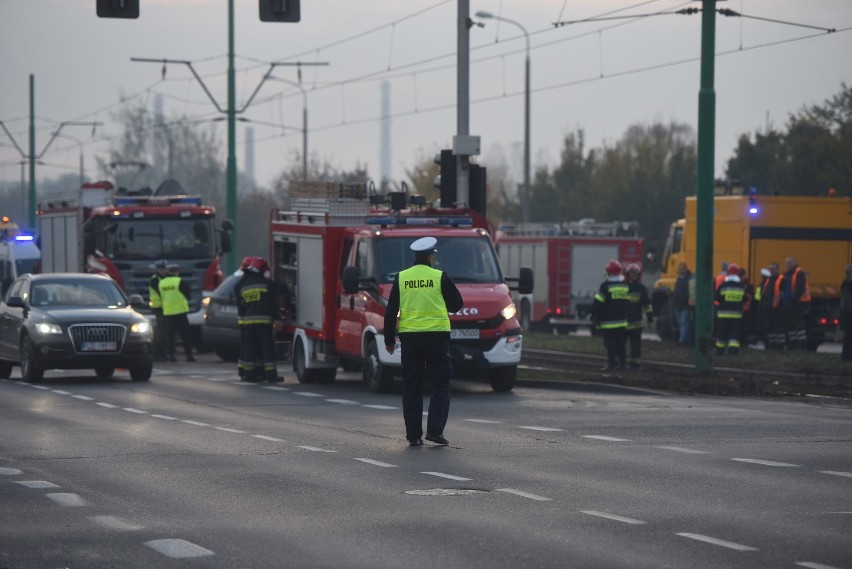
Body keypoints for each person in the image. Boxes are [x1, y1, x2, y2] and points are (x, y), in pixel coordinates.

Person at [384, 236, 463, 447]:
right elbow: (457, 304)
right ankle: (435, 431)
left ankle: (413, 436)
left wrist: (389, 340)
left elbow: (391, 310)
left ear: (414, 257)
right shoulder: (439, 277)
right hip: (437, 337)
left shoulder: (401, 278)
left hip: (410, 339)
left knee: (411, 386)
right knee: (441, 383)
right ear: (431, 256)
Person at [234, 256, 285, 383]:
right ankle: (271, 375)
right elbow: (280, 289)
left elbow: (242, 305)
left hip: (248, 324)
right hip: (263, 324)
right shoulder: (265, 283)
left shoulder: (244, 286)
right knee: (267, 350)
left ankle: (250, 375)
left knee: (250, 350)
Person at [590, 259, 629, 371]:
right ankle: (622, 364)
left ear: (608, 271)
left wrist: (593, 314)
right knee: (621, 344)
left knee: (610, 344)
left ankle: (611, 365)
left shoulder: (605, 286)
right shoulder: (625, 285)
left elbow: (598, 303)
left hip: (609, 322)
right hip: (622, 321)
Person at [158, 263, 195, 362]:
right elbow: (187, 292)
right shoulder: (178, 281)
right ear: (176, 272)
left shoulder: (162, 283)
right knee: (185, 334)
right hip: (180, 311)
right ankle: (189, 355)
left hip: (168, 312)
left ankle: (171, 355)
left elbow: (161, 296)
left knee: (170, 335)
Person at [624, 263, 653, 369]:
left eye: (636, 273)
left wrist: (650, 319)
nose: (634, 275)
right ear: (628, 274)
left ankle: (635, 363)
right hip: (623, 323)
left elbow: (647, 305)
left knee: (636, 346)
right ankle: (621, 363)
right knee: (620, 345)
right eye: (632, 273)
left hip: (636, 324)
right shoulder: (622, 287)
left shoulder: (642, 288)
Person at [714, 263, 745, 355]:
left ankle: (720, 351)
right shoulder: (741, 286)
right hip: (737, 315)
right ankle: (733, 351)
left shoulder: (724, 285)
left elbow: (717, 297)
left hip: (723, 314)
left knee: (722, 334)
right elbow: (744, 299)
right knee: (734, 334)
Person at [781, 256, 811, 350]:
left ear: (794, 262)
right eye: (787, 263)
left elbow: (800, 288)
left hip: (798, 303)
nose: (788, 264)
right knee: (790, 325)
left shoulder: (799, 273)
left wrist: (793, 300)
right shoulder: (787, 274)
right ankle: (793, 345)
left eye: (790, 262)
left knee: (798, 325)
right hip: (788, 302)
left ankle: (802, 345)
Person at [148, 259, 168, 360]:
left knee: (164, 332)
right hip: (158, 308)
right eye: (161, 269)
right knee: (160, 332)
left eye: (164, 269)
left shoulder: (165, 278)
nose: (163, 271)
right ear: (157, 269)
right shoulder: (155, 279)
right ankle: (157, 353)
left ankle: (162, 353)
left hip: (166, 308)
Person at [672, 262, 694, 346]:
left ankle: (682, 341)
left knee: (684, 323)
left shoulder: (689, 278)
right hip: (677, 305)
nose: (681, 270)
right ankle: (683, 339)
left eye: (682, 268)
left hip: (685, 305)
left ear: (685, 269)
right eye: (680, 268)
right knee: (680, 323)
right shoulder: (679, 279)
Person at [840, 264, 852, 361]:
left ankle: (846, 354)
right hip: (849, 312)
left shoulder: (845, 283)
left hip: (847, 312)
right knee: (848, 334)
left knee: (848, 334)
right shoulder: (847, 283)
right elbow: (847, 300)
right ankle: (846, 355)